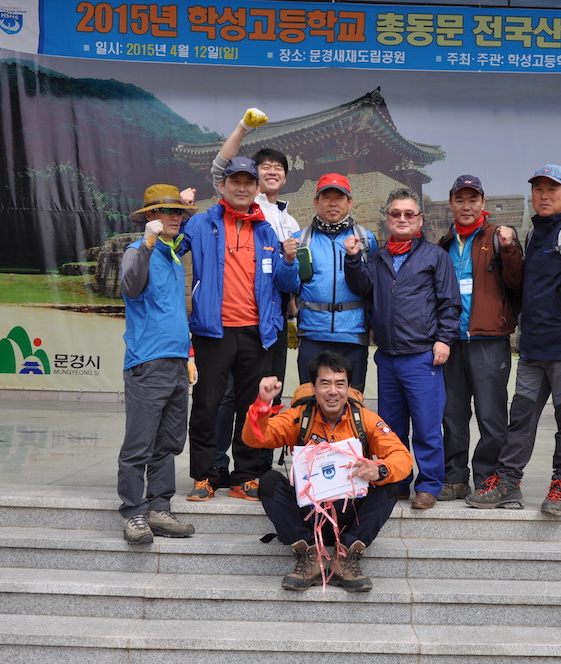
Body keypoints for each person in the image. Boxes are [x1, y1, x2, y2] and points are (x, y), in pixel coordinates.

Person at [467, 164, 561, 516]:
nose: (544, 195)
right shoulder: (534, 234)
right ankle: (508, 481)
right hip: (532, 348)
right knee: (520, 420)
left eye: (552, 189)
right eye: (538, 189)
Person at [242, 351, 412, 592]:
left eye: (340, 384)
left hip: (350, 514)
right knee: (269, 480)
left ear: (349, 387)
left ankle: (346, 557)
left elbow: (402, 457)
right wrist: (262, 404)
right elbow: (256, 438)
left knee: (389, 485)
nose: (333, 391)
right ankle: (310, 556)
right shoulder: (300, 417)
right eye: (325, 383)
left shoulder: (365, 420)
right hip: (308, 514)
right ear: (313, 388)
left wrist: (380, 469)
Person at [181, 157, 297, 502]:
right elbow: (171, 250)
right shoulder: (201, 223)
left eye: (249, 182)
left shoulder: (266, 231)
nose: (242, 188)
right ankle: (204, 476)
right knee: (207, 405)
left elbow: (285, 284)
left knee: (252, 408)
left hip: (257, 333)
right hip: (212, 332)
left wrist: (290, 261)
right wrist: (177, 213)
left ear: (257, 189)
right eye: (235, 181)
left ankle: (245, 476)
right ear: (222, 185)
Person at [343, 188, 460, 510]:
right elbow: (362, 287)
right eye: (396, 213)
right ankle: (397, 482)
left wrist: (444, 339)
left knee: (426, 428)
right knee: (390, 430)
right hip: (388, 358)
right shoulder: (378, 257)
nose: (402, 219)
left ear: (420, 219)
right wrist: (352, 259)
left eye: (409, 214)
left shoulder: (435, 256)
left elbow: (450, 303)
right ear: (387, 219)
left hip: (422, 357)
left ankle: (429, 486)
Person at [117, 185, 198, 544]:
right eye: (168, 211)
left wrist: (188, 356)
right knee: (140, 444)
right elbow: (131, 286)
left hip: (176, 363)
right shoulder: (138, 251)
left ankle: (159, 508)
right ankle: (133, 512)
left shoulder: (173, 254)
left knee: (168, 443)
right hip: (147, 363)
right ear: (150, 216)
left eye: (178, 212)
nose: (176, 217)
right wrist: (148, 244)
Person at [437, 175, 524, 501]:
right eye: (460, 200)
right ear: (451, 203)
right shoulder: (444, 243)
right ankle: (455, 477)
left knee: (491, 415)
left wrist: (511, 248)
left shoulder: (499, 237)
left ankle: (489, 479)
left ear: (483, 203)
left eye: (473, 199)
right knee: (452, 414)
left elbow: (517, 282)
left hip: (489, 340)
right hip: (452, 342)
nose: (466, 206)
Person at [287, 173, 378, 392]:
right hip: (312, 334)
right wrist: (287, 261)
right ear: (316, 202)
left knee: (351, 400)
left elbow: (373, 287)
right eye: (326, 197)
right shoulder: (301, 239)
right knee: (310, 399)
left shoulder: (366, 239)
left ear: (350, 202)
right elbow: (287, 285)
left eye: (339, 197)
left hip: (353, 335)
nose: (333, 203)